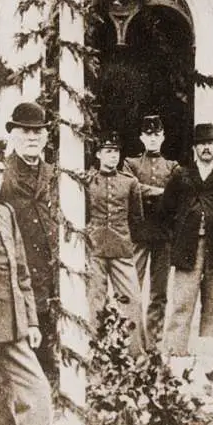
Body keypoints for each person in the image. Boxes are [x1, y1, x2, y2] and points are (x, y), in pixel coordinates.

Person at [0, 142, 74, 425]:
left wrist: (30, 321)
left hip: (10, 324)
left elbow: (22, 273)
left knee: (38, 391)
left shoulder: (5, 214)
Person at [163, 123, 213, 353]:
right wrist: (178, 236)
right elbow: (165, 211)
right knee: (182, 303)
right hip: (188, 248)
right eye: (201, 144)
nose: (206, 148)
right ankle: (174, 355)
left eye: (210, 143)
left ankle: (207, 358)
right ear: (194, 148)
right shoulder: (182, 176)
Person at [0, 102, 59, 381]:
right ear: (12, 134)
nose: (33, 137)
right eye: (25, 131)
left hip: (52, 269)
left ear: (46, 137)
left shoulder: (56, 174)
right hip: (19, 272)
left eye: (38, 132)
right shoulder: (4, 176)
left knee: (52, 337)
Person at [86, 133, 145, 356]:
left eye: (116, 152)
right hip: (96, 249)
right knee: (95, 302)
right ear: (99, 154)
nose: (113, 156)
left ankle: (135, 354)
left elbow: (136, 218)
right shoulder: (88, 181)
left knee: (132, 300)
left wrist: (127, 240)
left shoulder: (130, 183)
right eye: (108, 152)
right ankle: (95, 352)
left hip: (122, 248)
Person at [123, 115, 178, 351]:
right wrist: (162, 192)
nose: (153, 139)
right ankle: (130, 342)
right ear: (141, 138)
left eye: (157, 135)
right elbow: (132, 188)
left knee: (159, 293)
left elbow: (178, 194)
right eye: (149, 135)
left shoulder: (172, 166)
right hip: (140, 235)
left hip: (163, 236)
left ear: (163, 137)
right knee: (132, 289)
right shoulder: (130, 164)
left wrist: (155, 193)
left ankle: (153, 343)